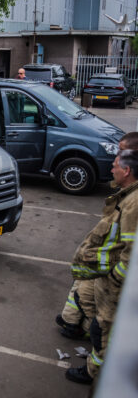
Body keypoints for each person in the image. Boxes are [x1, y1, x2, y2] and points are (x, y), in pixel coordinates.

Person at [63, 148, 138, 385]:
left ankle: (94, 374)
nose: (111, 168)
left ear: (126, 171)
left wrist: (116, 277)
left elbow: (131, 250)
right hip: (110, 279)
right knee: (101, 327)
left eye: (115, 164)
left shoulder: (133, 204)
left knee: (104, 330)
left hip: (115, 284)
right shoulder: (128, 196)